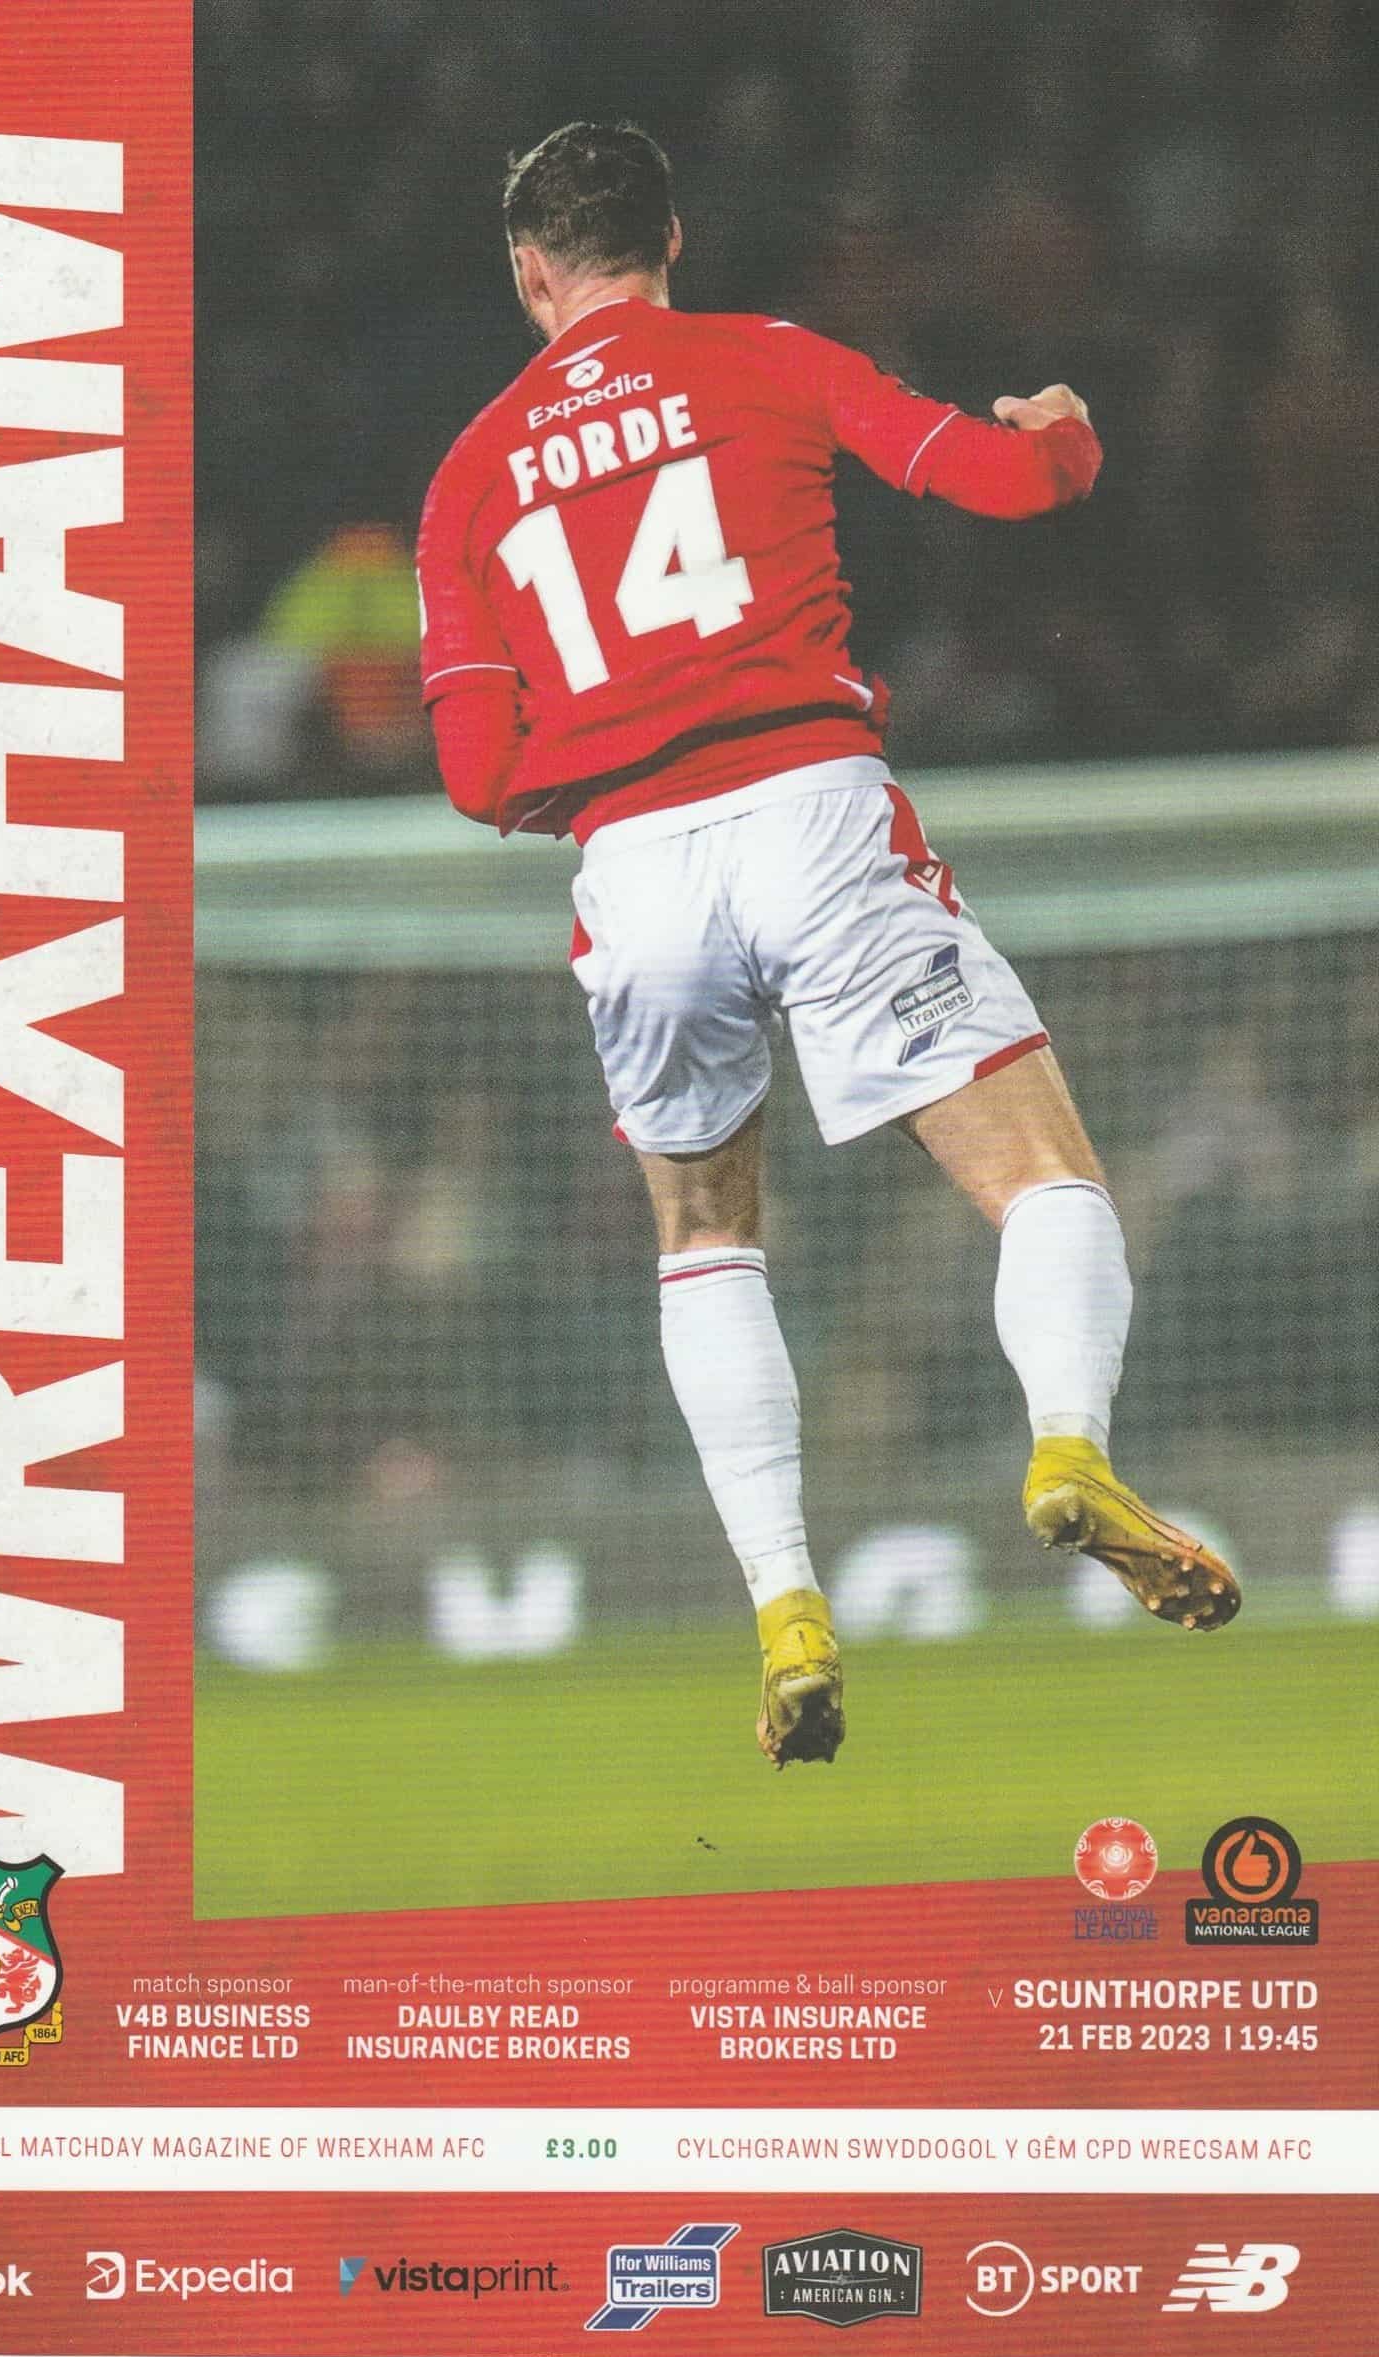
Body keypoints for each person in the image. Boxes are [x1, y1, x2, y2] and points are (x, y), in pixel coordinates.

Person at [416, 121, 1240, 1770]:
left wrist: (614, 754)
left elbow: (476, 773)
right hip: (810, 808)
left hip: (634, 864)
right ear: (671, 239)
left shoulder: (471, 474)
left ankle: (787, 1609)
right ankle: (1067, 1445)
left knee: (706, 1237)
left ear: (530, 273)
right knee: (1043, 1174)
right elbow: (1006, 480)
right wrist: (1064, 434)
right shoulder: (766, 359)